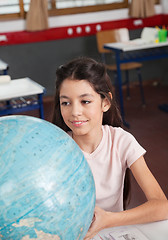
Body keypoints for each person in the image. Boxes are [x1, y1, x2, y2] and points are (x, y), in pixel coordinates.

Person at [52, 56, 168, 239]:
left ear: (105, 102)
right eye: (65, 102)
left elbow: (162, 206)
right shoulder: (55, 150)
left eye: (85, 101)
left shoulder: (121, 141)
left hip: (115, 232)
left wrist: (108, 220)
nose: (75, 112)